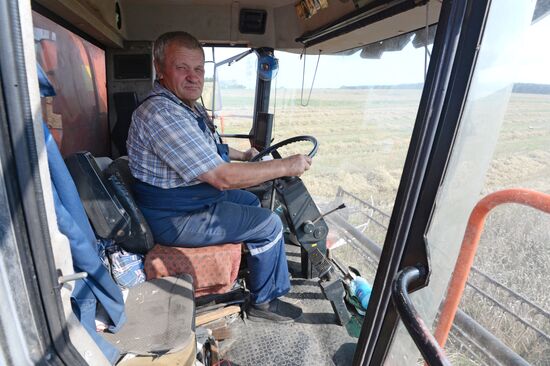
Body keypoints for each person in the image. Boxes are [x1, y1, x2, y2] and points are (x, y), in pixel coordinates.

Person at [126, 31, 312, 323]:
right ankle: (264, 302)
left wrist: (245, 155)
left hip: (191, 198)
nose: (193, 76)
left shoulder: (184, 105)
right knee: (270, 224)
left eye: (198, 68)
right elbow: (221, 177)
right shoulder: (161, 114)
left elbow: (208, 148)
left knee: (251, 199)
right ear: (159, 69)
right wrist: (287, 166)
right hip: (175, 216)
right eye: (182, 68)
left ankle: (251, 261)